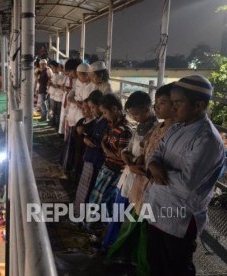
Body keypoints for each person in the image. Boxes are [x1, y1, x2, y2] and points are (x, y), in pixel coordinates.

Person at [144, 75, 225, 275]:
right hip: (158, 209)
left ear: (198, 105)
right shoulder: (178, 127)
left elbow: (187, 185)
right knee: (155, 263)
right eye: (171, 103)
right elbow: (156, 153)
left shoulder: (207, 140)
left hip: (179, 219)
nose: (172, 109)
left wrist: (159, 170)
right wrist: (154, 165)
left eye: (177, 103)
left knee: (176, 268)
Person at [106, 83, 175, 275]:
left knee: (138, 228)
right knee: (125, 219)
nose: (157, 108)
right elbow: (138, 148)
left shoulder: (166, 129)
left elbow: (157, 161)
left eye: (162, 104)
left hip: (149, 188)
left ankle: (127, 258)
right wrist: (126, 156)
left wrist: (144, 166)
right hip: (135, 181)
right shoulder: (153, 128)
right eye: (158, 103)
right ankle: (118, 252)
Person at [102, 91, 158, 250]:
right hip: (128, 176)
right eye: (132, 115)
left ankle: (115, 248)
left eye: (136, 115)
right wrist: (128, 160)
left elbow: (146, 161)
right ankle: (109, 244)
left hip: (139, 182)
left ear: (147, 110)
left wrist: (131, 162)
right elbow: (126, 150)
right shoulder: (139, 127)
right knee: (118, 214)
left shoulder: (155, 130)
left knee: (128, 219)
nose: (134, 118)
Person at [88, 93, 132, 218]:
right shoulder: (112, 125)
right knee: (100, 197)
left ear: (114, 109)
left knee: (103, 199)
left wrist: (105, 149)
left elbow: (121, 156)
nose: (105, 116)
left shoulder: (125, 130)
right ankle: (98, 225)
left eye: (105, 113)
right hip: (108, 165)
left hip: (115, 169)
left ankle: (99, 226)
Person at [74, 90, 108, 215]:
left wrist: (90, 141)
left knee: (89, 188)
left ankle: (84, 216)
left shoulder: (105, 122)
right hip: (89, 157)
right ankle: (80, 213)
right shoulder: (99, 120)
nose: (91, 110)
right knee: (84, 187)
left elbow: (103, 143)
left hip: (95, 159)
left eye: (93, 107)